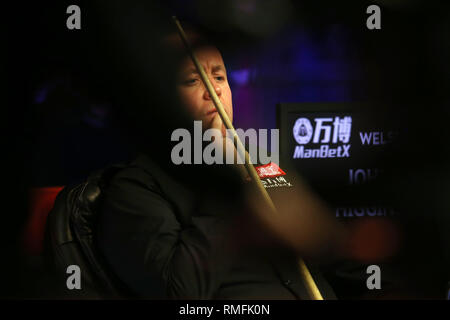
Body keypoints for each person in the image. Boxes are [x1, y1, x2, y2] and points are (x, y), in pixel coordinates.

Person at [95, 30, 339, 300]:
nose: (215, 90)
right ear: (157, 98)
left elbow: (329, 248)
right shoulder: (136, 188)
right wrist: (226, 182)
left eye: (219, 76)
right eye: (192, 80)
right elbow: (181, 294)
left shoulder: (262, 160)